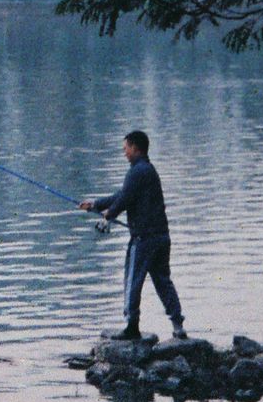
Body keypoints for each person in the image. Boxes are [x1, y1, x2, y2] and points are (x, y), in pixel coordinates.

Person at [79, 129, 186, 341]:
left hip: (143, 239)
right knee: (163, 281)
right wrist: (96, 205)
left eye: (126, 148)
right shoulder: (147, 170)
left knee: (132, 281)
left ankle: (131, 326)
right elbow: (122, 195)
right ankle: (178, 327)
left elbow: (124, 198)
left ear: (136, 148)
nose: (124, 153)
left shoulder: (137, 172)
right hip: (161, 237)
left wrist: (109, 214)